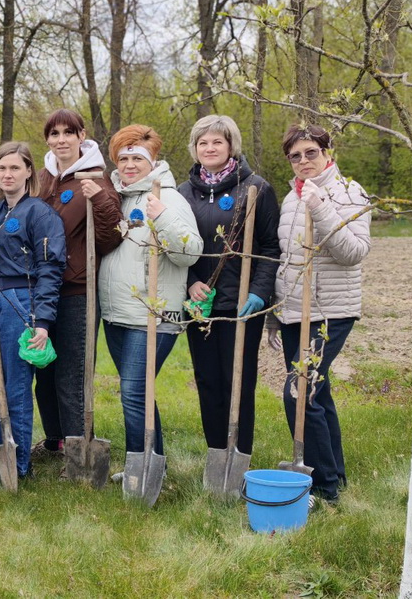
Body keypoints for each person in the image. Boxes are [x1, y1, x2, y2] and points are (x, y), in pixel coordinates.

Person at [270, 124, 370, 506]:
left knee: (299, 394)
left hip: (330, 311)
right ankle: (335, 477)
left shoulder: (348, 193)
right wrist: (274, 314)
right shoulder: (290, 197)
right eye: (295, 156)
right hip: (296, 311)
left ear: (327, 152)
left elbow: (353, 251)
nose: (303, 161)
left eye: (311, 152)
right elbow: (285, 261)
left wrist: (321, 206)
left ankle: (324, 489)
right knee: (317, 394)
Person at [178, 114, 280, 460]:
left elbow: (269, 248)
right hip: (199, 306)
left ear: (231, 146)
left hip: (240, 306)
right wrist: (190, 283)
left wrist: (258, 292)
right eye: (202, 142)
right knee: (208, 382)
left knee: (238, 383)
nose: (209, 148)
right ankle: (217, 453)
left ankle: (240, 454)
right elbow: (177, 249)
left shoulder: (256, 188)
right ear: (194, 148)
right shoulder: (183, 193)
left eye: (217, 141)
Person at [0, 142, 66, 485]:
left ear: (28, 173)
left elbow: (51, 268)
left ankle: (20, 464)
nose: (7, 174)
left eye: (14, 168)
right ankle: (4, 454)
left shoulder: (40, 213)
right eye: (1, 168)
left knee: (15, 386)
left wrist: (42, 320)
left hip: (21, 301)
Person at [99, 126, 202, 458]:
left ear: (153, 159)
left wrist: (165, 218)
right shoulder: (118, 197)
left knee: (134, 392)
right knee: (136, 393)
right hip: (117, 314)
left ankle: (144, 466)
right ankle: (147, 462)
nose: (129, 165)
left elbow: (191, 251)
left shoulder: (167, 197)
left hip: (154, 314)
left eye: (137, 158)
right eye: (123, 158)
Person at [35, 109, 121, 458]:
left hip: (77, 290)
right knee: (45, 371)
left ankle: (79, 448)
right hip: (41, 291)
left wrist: (98, 199)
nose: (61, 140)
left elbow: (111, 237)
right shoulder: (41, 178)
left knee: (71, 375)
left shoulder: (96, 178)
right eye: (54, 134)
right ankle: (55, 441)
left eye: (68, 133)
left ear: (81, 136)